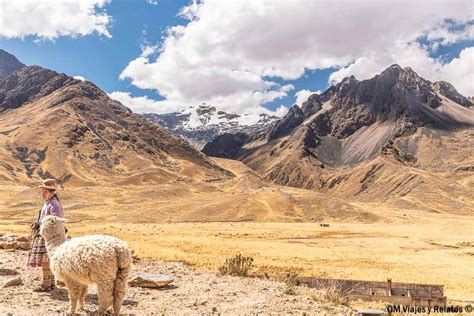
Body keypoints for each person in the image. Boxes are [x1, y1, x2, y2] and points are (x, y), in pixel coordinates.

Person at [26, 179, 64, 292]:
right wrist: (37, 224)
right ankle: (51, 284)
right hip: (45, 236)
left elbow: (55, 222)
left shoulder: (54, 205)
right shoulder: (48, 203)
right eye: (42, 191)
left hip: (49, 237)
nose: (42, 193)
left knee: (46, 260)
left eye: (45, 191)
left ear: (52, 192)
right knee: (47, 259)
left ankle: (46, 284)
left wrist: (40, 225)